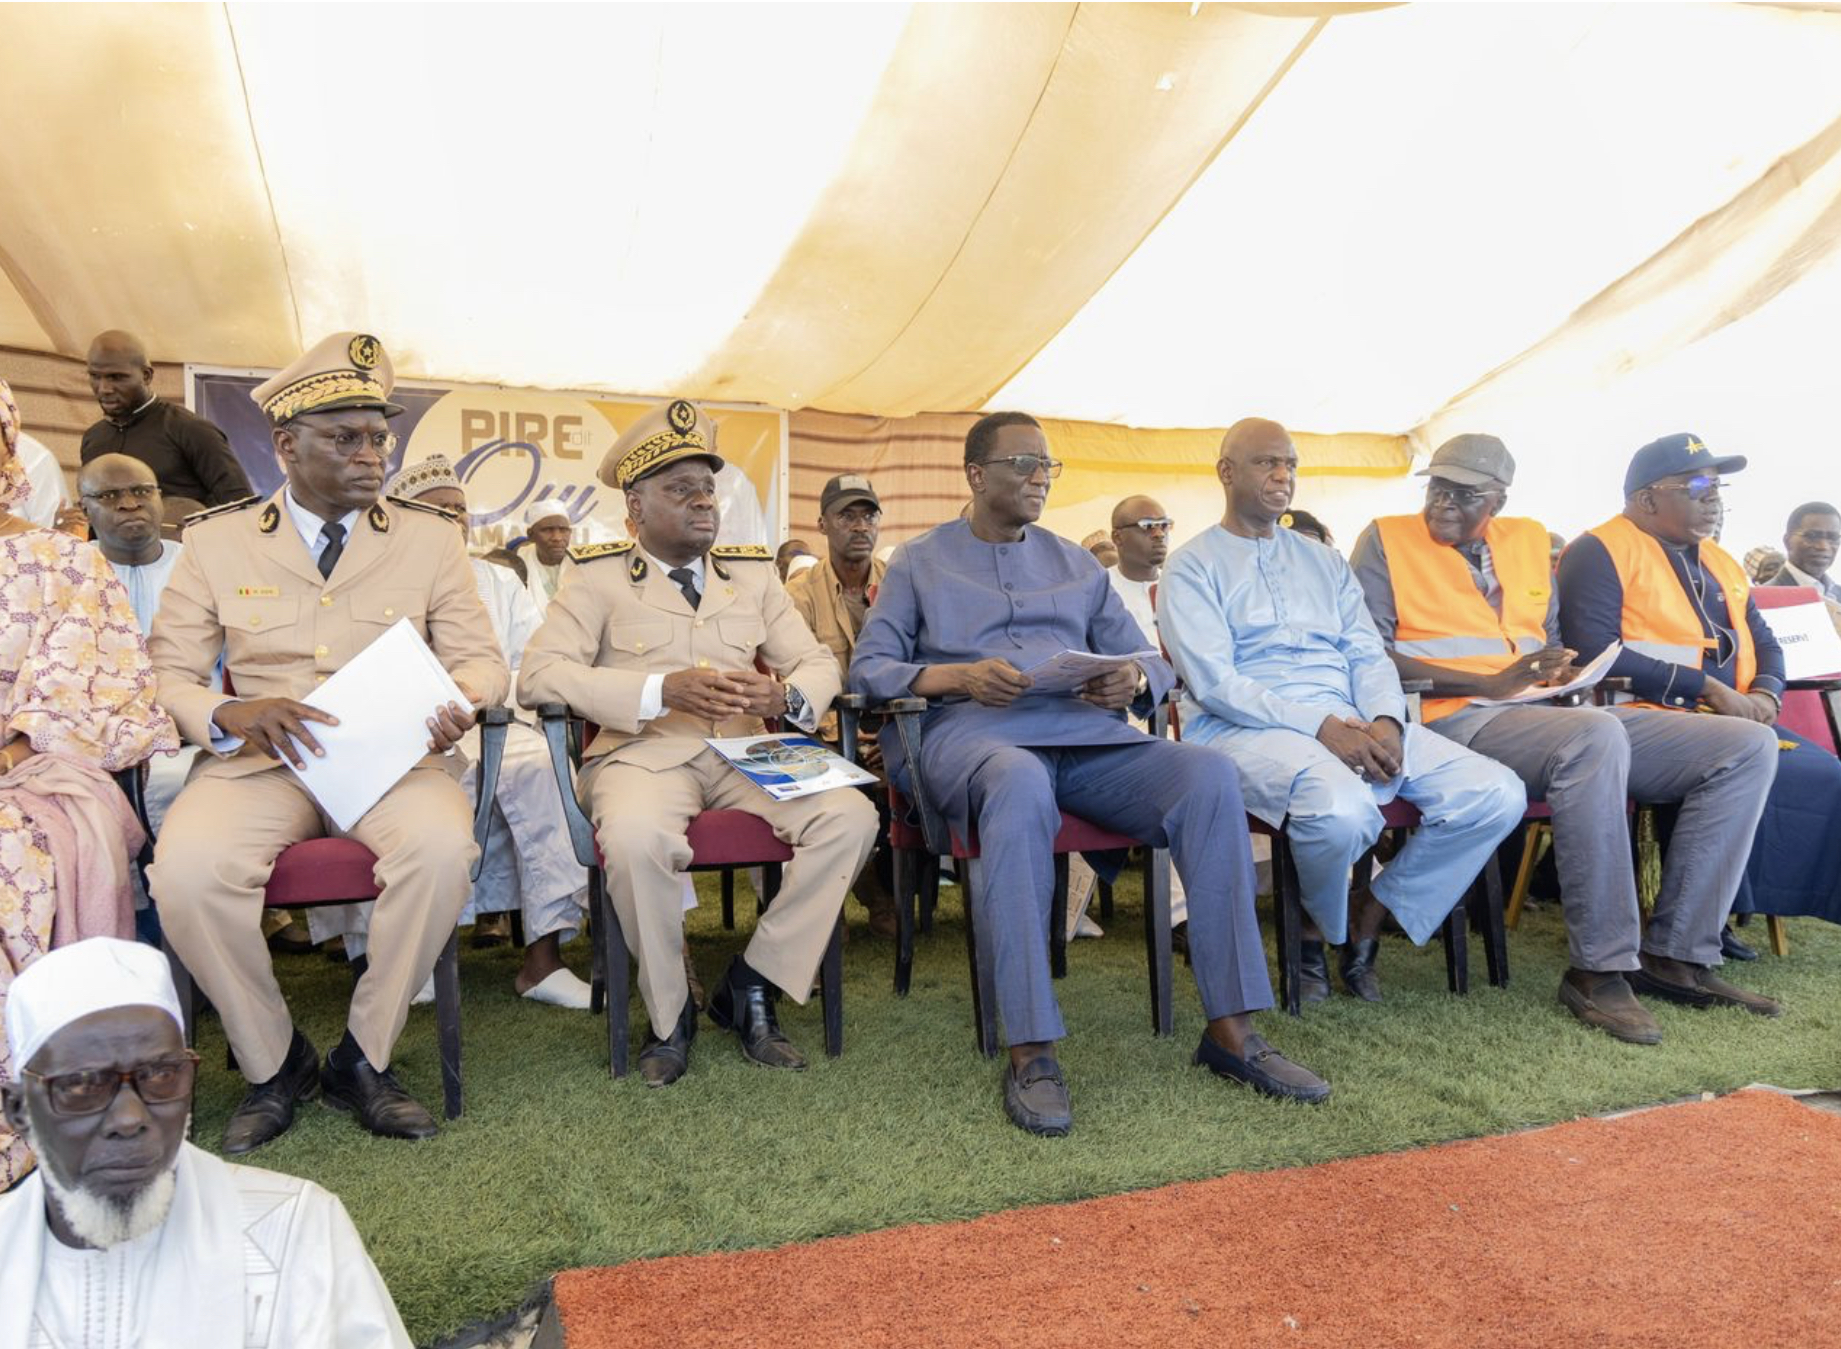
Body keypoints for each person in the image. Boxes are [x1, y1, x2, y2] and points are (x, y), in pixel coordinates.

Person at [852, 411, 1327, 1137]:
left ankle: (1233, 1031)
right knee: (1017, 782)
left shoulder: (1076, 564)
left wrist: (1128, 679)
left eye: (1048, 466)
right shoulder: (919, 562)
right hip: (971, 736)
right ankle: (1032, 1050)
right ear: (976, 475)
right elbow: (870, 671)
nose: (1040, 476)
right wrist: (958, 675)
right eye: (1022, 463)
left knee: (1207, 777)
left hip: (1081, 737)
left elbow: (1153, 658)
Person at [145, 332, 509, 1153]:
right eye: (344, 437)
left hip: (394, 760)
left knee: (443, 851)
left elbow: (482, 660)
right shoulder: (216, 540)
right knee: (189, 873)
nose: (370, 453)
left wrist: (463, 696)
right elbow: (166, 674)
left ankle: (363, 1058)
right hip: (262, 765)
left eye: (378, 435)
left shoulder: (429, 537)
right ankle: (275, 1062)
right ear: (286, 444)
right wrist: (228, 713)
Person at [1349, 434, 1780, 1039]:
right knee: (1594, 738)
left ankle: (1677, 954)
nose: (1443, 504)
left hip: (1546, 710)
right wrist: (1493, 681)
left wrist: (1563, 672)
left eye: (1464, 494)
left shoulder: (1527, 540)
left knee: (1744, 745)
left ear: (1497, 499)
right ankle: (1598, 970)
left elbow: (1546, 639)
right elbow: (1367, 655)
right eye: (1436, 488)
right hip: (1447, 717)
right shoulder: (1384, 538)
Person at [520, 398, 877, 1088]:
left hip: (748, 749)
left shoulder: (750, 573)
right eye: (679, 490)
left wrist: (784, 697)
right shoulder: (594, 576)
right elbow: (539, 674)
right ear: (635, 507)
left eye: (707, 488)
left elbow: (816, 664)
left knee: (852, 815)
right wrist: (657, 691)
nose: (701, 503)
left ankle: (751, 984)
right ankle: (669, 1014)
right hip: (640, 755)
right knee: (632, 841)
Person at [1159, 417, 1526, 1004]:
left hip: (1352, 717)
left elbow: (1365, 650)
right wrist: (1322, 727)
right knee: (1340, 811)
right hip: (1243, 727)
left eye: (1292, 464)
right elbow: (1215, 682)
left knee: (1496, 793)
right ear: (1226, 472)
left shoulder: (1323, 562)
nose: (1283, 475)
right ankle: (1310, 933)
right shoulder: (1191, 564)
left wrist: (1385, 719)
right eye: (1266, 463)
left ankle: (1367, 917)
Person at [0, 938, 412, 1346]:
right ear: (19, 1110)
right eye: (84, 1085)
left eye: (161, 1075)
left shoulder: (296, 1228)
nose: (129, 1118)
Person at [306, 456, 593, 1008]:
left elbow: (531, 661)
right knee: (383, 790)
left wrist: (479, 694)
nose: (453, 520)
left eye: (459, 510)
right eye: (437, 511)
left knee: (540, 770)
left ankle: (543, 961)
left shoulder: (497, 578)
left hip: (491, 722)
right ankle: (395, 961)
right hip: (397, 738)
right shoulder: (364, 573)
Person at [1559, 433, 1841, 958]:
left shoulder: (1720, 560)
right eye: (1697, 486)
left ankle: (1734, 906)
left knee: (1824, 772)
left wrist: (1767, 696)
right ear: (1647, 499)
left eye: (1717, 488)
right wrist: (1707, 688)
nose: (1713, 499)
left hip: (1730, 715)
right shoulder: (1598, 550)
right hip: (1633, 720)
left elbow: (1767, 643)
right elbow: (1592, 651)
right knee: (1741, 755)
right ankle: (1696, 924)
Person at [0, 390, 181, 1189]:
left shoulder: (62, 561)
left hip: (36, 764)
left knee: (20, 845)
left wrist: (14, 741)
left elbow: (99, 685)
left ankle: (43, 1086)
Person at [786, 474, 897, 937]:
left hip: (892, 728)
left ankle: (886, 889)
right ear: (823, 524)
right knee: (826, 788)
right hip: (821, 735)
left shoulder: (901, 585)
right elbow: (795, 683)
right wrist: (844, 741)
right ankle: (866, 892)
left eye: (868, 515)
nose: (859, 526)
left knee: (919, 775)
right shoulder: (798, 595)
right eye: (846, 516)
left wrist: (889, 737)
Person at [80, 330, 251, 518]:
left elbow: (241, 505)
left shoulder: (191, 429)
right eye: (95, 376)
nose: (104, 388)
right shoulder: (92, 439)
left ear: (146, 376)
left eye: (117, 377)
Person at [1767, 502, 1841, 603]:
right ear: (1787, 541)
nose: (1823, 546)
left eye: (1833, 538)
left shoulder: (1837, 594)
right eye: (1812, 536)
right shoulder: (1763, 599)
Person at [518, 498, 576, 617]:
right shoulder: (516, 566)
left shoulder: (584, 565)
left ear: (570, 533)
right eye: (547, 530)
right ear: (530, 535)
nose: (557, 537)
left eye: (563, 530)